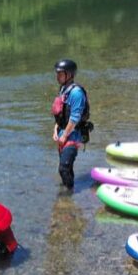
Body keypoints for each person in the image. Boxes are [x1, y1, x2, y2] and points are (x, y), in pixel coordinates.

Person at [51, 58, 92, 190]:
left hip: (73, 135)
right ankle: (70, 190)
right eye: (57, 73)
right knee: (67, 168)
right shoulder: (63, 90)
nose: (57, 76)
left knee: (63, 168)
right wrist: (56, 130)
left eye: (60, 74)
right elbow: (61, 114)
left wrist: (64, 136)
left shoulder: (76, 93)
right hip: (63, 133)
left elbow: (74, 118)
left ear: (69, 75)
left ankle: (68, 198)